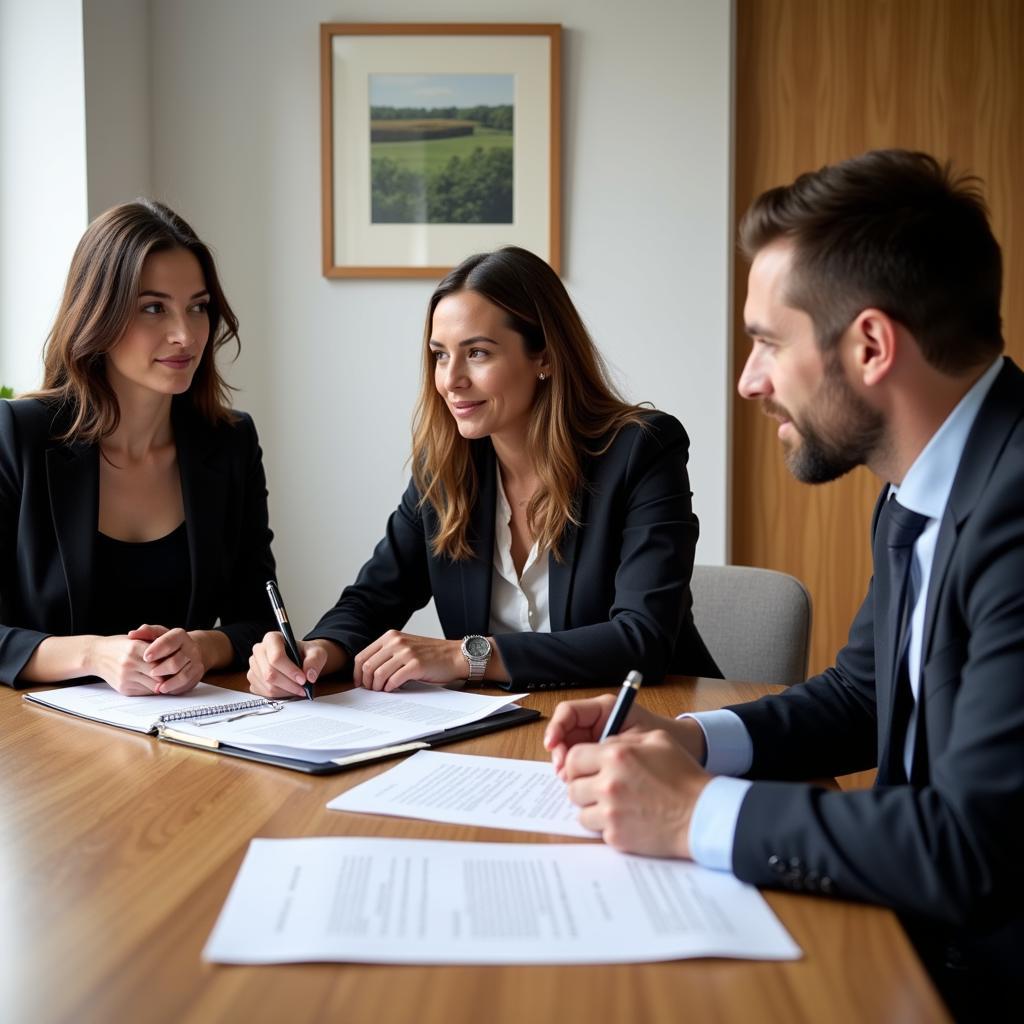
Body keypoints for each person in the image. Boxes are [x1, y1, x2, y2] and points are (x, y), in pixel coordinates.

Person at [546, 150, 1024, 1016]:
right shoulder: (923, 486)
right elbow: (861, 695)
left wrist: (693, 816)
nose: (748, 380)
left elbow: (972, 844)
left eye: (768, 342)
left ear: (871, 345)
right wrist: (688, 741)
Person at [248, 246, 718, 697]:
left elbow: (642, 640)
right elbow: (370, 600)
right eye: (440, 354)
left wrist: (467, 656)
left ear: (546, 357)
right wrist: (314, 652)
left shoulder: (642, 451)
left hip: (651, 728)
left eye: (477, 353)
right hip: (508, 733)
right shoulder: (446, 469)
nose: (451, 380)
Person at [0, 199, 277, 694]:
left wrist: (198, 647)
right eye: (153, 308)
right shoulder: (16, 436)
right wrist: (94, 654)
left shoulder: (230, 443)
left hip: (181, 733)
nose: (185, 334)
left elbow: (259, 618)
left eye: (198, 307)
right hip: (35, 743)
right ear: (97, 315)